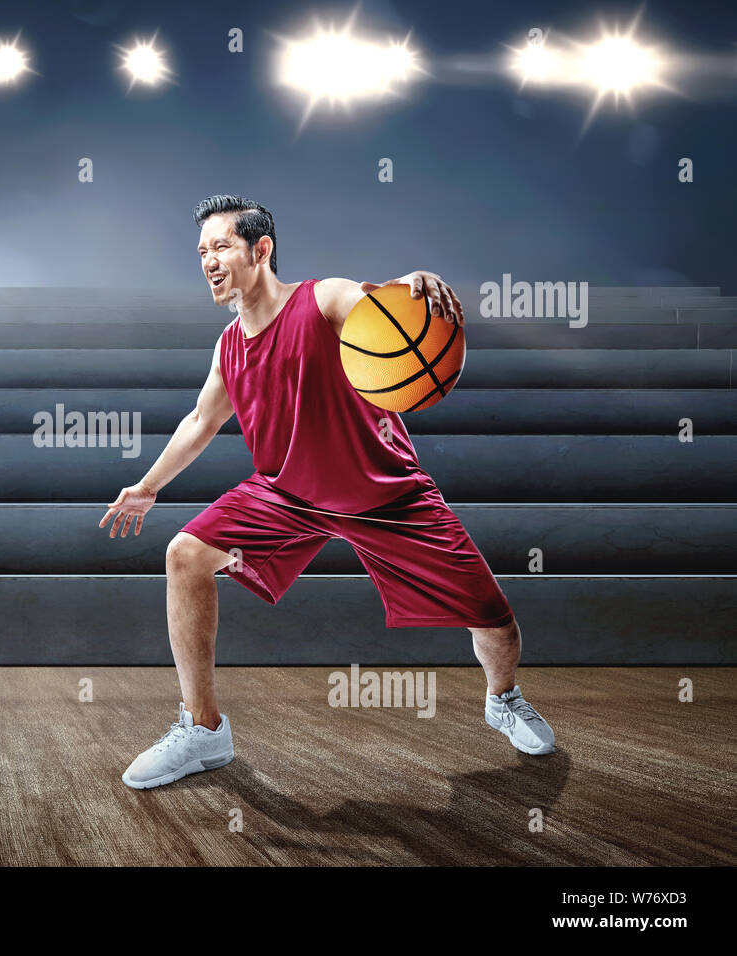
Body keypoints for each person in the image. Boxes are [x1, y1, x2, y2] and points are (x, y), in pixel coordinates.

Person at [100, 195, 555, 790]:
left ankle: (504, 698)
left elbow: (381, 306)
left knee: (495, 623)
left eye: (222, 247)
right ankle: (203, 731)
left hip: (387, 495)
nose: (209, 261)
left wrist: (412, 285)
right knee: (184, 555)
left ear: (260, 249)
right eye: (202, 251)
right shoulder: (228, 347)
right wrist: (147, 487)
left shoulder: (322, 298)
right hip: (287, 494)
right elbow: (200, 421)